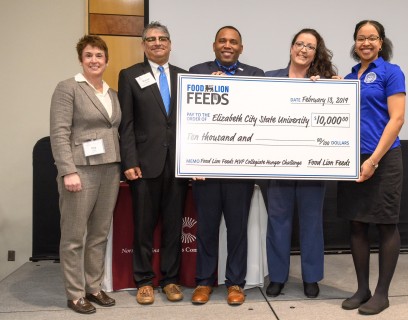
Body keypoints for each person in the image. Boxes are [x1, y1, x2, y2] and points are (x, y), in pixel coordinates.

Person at [189, 25, 264, 306]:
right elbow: (188, 119)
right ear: (214, 45)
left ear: (241, 48)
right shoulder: (197, 73)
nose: (228, 45)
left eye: (233, 42)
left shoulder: (256, 76)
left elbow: (262, 113)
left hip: (239, 169)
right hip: (205, 169)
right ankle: (204, 282)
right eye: (223, 41)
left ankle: (235, 283)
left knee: (237, 229)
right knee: (206, 228)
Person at [338, 20, 406, 315]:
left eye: (372, 38)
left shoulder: (391, 72)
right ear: (355, 43)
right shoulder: (351, 76)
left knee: (385, 223)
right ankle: (362, 288)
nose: (366, 43)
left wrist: (374, 159)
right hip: (353, 157)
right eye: (361, 38)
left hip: (384, 157)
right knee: (356, 222)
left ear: (381, 42)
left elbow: (397, 119)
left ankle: (382, 293)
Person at [118, 21, 189, 305]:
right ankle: (144, 281)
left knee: (174, 227)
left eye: (162, 38)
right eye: (151, 39)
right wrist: (129, 160)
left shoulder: (185, 77)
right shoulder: (129, 75)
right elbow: (126, 124)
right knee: (143, 226)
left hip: (178, 166)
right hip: (144, 165)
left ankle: (170, 280)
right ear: (143, 45)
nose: (157, 43)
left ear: (170, 44)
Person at [264, 29, 337, 299]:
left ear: (316, 53)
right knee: (277, 222)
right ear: (291, 47)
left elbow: (338, 116)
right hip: (277, 164)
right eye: (299, 44)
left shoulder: (323, 83)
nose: (303, 49)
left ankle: (311, 277)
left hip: (312, 165)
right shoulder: (269, 78)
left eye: (310, 46)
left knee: (311, 222)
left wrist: (337, 90)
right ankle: (278, 277)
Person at [50, 35, 120, 314]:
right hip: (80, 171)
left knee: (100, 234)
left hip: (110, 169)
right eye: (89, 55)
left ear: (106, 60)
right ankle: (75, 293)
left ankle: (93, 287)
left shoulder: (111, 93)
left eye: (99, 56)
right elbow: (59, 132)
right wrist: (68, 170)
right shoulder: (68, 88)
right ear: (81, 59)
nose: (94, 60)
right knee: (74, 236)